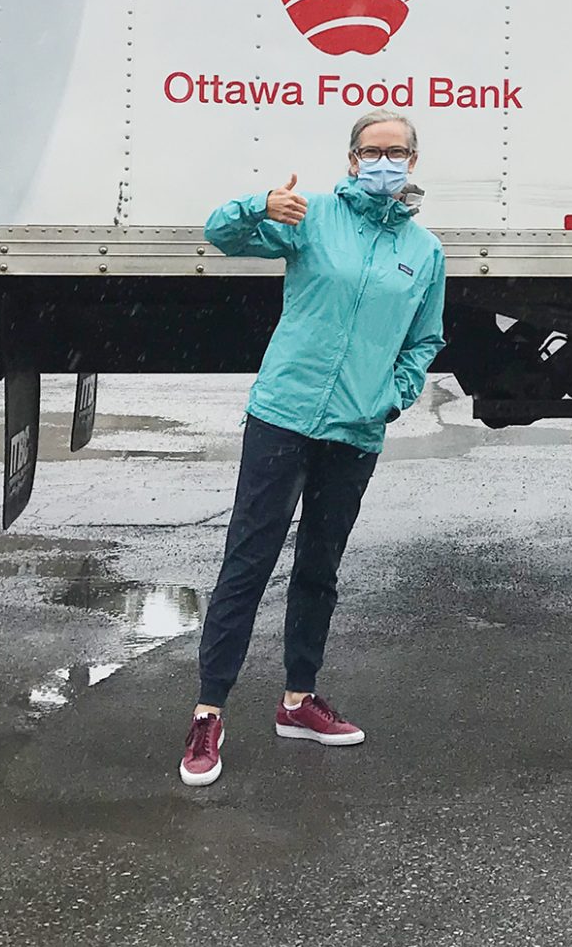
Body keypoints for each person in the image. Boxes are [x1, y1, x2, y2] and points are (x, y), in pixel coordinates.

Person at [177, 110, 446, 787]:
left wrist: (393, 393)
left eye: (397, 151)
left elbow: (425, 339)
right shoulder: (313, 216)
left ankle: (299, 699)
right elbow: (221, 233)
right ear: (352, 158)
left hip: (356, 429)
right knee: (248, 560)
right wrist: (259, 204)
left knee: (319, 566)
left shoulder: (424, 251)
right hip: (284, 416)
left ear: (413, 162)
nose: (384, 161)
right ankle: (208, 712)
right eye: (371, 150)